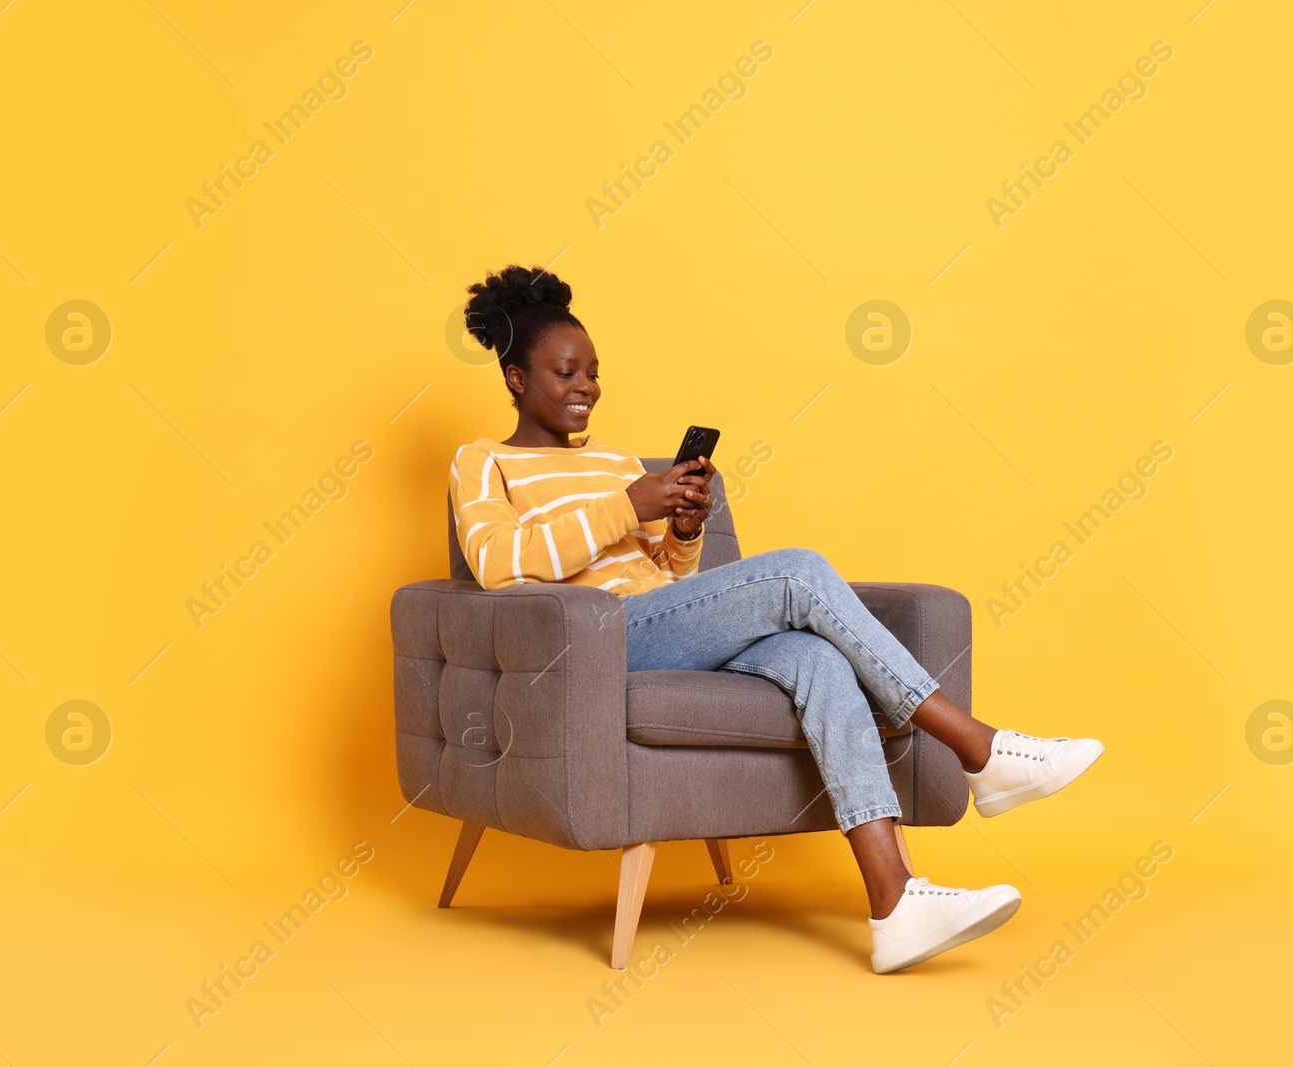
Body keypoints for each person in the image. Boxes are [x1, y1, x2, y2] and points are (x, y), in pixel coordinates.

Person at [448, 265, 1105, 974]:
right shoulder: (483, 461)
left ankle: (895, 904)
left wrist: (684, 531)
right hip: (595, 642)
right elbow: (497, 561)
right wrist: (627, 506)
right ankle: (978, 748)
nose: (586, 387)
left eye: (594, 373)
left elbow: (670, 580)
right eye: (566, 372)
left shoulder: (613, 463)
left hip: (660, 623)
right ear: (516, 378)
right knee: (797, 571)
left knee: (815, 658)